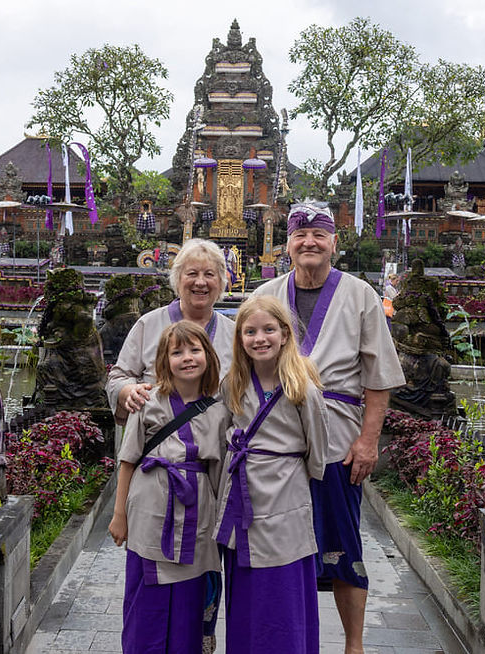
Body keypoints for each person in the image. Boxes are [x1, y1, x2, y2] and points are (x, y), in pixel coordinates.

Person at [253, 202, 405, 654]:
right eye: (300, 235)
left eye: (319, 235)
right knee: (277, 543)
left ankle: (353, 645)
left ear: (334, 243)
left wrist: (368, 441)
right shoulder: (266, 295)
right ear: (287, 244)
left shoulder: (360, 295)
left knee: (343, 542)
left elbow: (378, 377)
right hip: (276, 440)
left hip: (338, 437)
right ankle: (288, 641)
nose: (309, 242)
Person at [215, 295, 328, 653]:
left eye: (268, 330)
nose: (259, 338)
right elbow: (220, 435)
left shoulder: (302, 387)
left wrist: (290, 477)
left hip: (285, 496)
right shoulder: (232, 383)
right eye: (250, 331)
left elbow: (318, 451)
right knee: (246, 595)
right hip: (241, 495)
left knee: (283, 590)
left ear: (285, 334)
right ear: (239, 338)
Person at [109, 321, 226, 653]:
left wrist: (222, 524)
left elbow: (219, 473)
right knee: (146, 602)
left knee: (190, 604)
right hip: (150, 509)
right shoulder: (146, 400)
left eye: (195, 350)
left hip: (197, 513)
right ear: (164, 360)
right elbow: (128, 459)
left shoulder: (220, 409)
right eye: (177, 352)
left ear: (209, 355)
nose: (187, 358)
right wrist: (119, 515)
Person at [107, 238, 235, 426]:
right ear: (178, 278)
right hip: (159, 437)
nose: (200, 282)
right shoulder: (148, 324)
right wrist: (127, 391)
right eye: (192, 273)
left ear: (221, 281)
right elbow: (118, 378)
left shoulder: (234, 333)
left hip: (216, 440)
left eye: (209, 274)